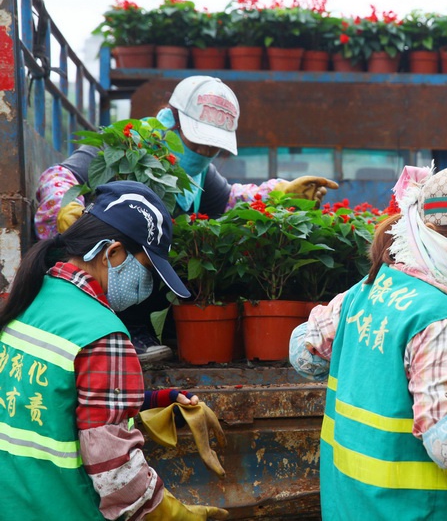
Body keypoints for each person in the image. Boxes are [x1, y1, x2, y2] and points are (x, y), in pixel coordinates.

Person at [289, 165, 447, 520]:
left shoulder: (367, 290)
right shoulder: (439, 320)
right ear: (436, 232)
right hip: (419, 511)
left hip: (348, 506)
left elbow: (305, 354)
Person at [34, 75, 338, 362]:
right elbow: (59, 175)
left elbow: (230, 201)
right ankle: (121, 328)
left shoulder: (198, 175)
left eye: (212, 147)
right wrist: (66, 205)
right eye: (198, 143)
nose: (205, 152)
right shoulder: (128, 147)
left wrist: (280, 193)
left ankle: (141, 330)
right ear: (171, 120)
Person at [0, 181, 226, 521]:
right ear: (113, 252)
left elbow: (55, 398)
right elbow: (116, 475)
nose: (147, 284)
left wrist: (151, 401)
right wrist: (171, 515)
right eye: (147, 269)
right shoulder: (102, 332)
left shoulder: (29, 297)